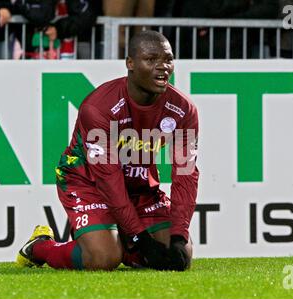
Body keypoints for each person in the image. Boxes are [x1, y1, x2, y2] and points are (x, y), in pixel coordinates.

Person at [16, 30, 199, 271]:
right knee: (103, 258)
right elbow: (108, 179)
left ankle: (123, 245)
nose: (162, 67)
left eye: (168, 59)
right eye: (151, 59)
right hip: (88, 182)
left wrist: (179, 235)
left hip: (138, 186)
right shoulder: (99, 108)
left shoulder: (183, 110)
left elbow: (185, 175)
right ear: (130, 64)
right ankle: (40, 246)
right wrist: (140, 239)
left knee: (180, 256)